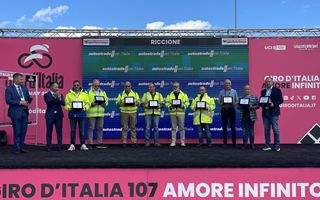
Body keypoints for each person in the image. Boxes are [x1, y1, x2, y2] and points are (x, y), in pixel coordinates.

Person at [5, 73, 31, 154]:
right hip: (15, 112)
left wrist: (27, 101)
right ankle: (17, 148)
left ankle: (21, 147)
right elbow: (8, 100)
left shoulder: (24, 88)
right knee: (17, 130)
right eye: (20, 79)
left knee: (24, 130)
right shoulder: (9, 89)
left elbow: (28, 97)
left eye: (22, 79)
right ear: (15, 79)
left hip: (24, 112)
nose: (22, 80)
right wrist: (20, 102)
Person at [64, 80, 90, 151]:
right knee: (72, 130)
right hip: (72, 114)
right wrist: (69, 108)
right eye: (75, 85)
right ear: (73, 86)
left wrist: (84, 109)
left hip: (81, 114)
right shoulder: (68, 94)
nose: (76, 86)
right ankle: (72, 145)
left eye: (77, 85)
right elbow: (66, 104)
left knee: (82, 130)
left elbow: (88, 103)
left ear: (80, 86)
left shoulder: (85, 94)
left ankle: (82, 144)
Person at [260, 77, 283, 152]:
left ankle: (277, 146)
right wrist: (262, 104)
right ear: (265, 83)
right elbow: (261, 101)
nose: (268, 83)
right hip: (265, 112)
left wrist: (274, 104)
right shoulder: (263, 91)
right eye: (267, 82)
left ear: (272, 82)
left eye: (269, 81)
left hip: (274, 112)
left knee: (275, 129)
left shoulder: (277, 90)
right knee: (266, 129)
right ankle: (267, 145)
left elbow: (281, 100)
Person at [116, 81, 140, 148]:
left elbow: (139, 102)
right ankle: (124, 142)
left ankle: (134, 142)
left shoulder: (135, 93)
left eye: (128, 86)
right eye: (126, 86)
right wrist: (122, 104)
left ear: (131, 86)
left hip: (133, 112)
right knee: (124, 128)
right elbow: (117, 103)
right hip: (124, 112)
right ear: (124, 87)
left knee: (133, 127)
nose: (127, 87)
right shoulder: (121, 94)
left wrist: (135, 103)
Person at [86, 79, 108, 149]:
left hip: (100, 113)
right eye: (95, 85)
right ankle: (90, 143)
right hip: (91, 113)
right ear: (92, 85)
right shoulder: (87, 91)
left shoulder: (103, 92)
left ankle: (99, 143)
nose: (97, 87)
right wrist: (91, 104)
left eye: (98, 85)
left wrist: (104, 104)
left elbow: (107, 101)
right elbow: (85, 102)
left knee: (100, 128)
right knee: (91, 128)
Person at [166, 82, 189, 147]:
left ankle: (182, 142)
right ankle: (173, 142)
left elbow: (187, 103)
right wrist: (169, 106)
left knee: (181, 128)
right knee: (173, 128)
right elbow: (167, 103)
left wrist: (183, 106)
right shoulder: (169, 95)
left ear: (179, 86)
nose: (175, 87)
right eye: (174, 86)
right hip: (173, 113)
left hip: (181, 113)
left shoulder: (184, 94)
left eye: (176, 86)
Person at [141, 83, 164, 147]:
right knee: (147, 128)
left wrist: (158, 106)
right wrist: (146, 106)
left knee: (156, 128)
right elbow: (141, 103)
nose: (150, 88)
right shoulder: (145, 95)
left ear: (154, 87)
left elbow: (162, 103)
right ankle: (147, 142)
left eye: (151, 87)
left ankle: (156, 142)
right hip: (148, 113)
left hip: (156, 113)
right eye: (149, 87)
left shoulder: (159, 95)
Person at [44, 82, 65, 151]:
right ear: (51, 87)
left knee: (59, 132)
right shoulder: (46, 95)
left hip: (58, 116)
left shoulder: (60, 94)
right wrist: (54, 97)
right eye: (56, 87)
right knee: (49, 132)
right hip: (50, 116)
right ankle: (49, 147)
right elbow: (48, 102)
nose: (57, 88)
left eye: (57, 87)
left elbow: (64, 104)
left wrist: (60, 98)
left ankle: (60, 146)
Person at [218, 79, 239, 147]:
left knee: (233, 127)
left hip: (231, 109)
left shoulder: (234, 91)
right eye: (226, 83)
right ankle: (225, 142)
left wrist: (234, 103)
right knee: (224, 127)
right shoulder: (221, 92)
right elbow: (219, 101)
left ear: (231, 84)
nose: (227, 85)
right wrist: (222, 103)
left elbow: (237, 100)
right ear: (224, 84)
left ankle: (234, 142)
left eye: (229, 83)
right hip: (224, 110)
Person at [238, 84, 259, 149]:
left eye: (248, 89)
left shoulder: (254, 97)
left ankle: (252, 145)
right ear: (244, 90)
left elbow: (258, 106)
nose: (247, 90)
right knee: (244, 131)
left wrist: (251, 107)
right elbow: (238, 107)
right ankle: (244, 145)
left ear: (250, 90)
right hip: (243, 116)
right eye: (245, 89)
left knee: (251, 131)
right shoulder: (240, 98)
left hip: (251, 117)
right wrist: (241, 106)